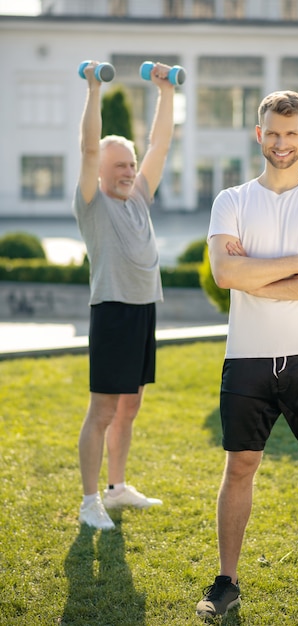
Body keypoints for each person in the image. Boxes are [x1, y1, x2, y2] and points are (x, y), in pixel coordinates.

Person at [196, 90, 298, 620]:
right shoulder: (232, 201)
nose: (282, 142)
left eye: (292, 133)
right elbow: (226, 275)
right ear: (258, 134)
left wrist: (258, 276)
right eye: (273, 132)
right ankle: (227, 581)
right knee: (239, 465)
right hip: (246, 355)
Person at [73, 61, 175, 530]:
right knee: (104, 409)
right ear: (101, 172)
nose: (128, 172)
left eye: (131, 165)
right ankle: (90, 500)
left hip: (142, 311)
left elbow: (160, 144)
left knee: (130, 405)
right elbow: (89, 146)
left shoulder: (138, 196)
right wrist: (94, 88)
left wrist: (164, 91)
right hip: (112, 311)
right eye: (119, 166)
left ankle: (116, 490)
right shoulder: (93, 205)